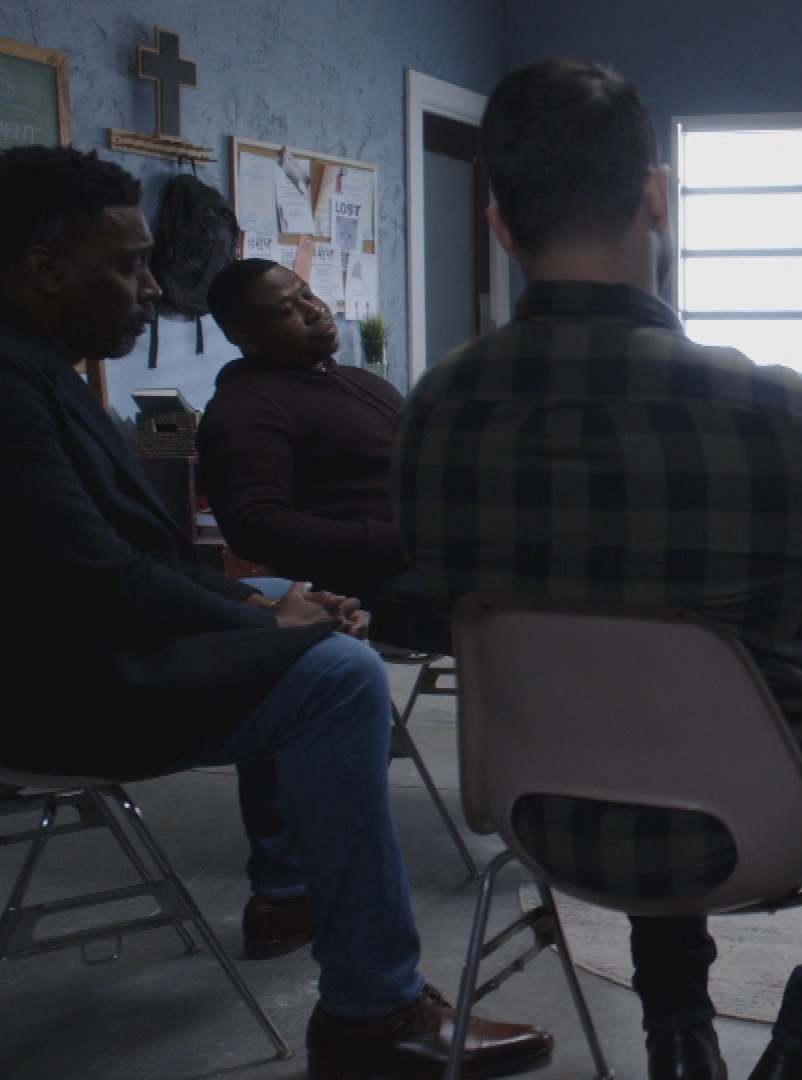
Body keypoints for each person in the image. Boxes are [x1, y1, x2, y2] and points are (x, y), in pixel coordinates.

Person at [392, 59, 802, 1080]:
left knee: (623, 704)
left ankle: (677, 1031)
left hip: (546, 812)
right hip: (765, 814)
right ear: (657, 196)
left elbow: (437, 588)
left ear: (500, 225)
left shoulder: (433, 413)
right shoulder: (788, 414)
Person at [0, 146, 550, 1080]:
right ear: (45, 270)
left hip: (100, 632)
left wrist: (272, 603)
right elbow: (102, 574)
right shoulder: (19, 389)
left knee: (298, 624)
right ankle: (372, 1008)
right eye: (128, 265)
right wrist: (268, 621)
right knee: (334, 674)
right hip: (60, 681)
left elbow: (142, 564)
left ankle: (299, 896)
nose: (150, 289)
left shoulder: (48, 368)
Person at [197, 258, 450, 655]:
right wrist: (398, 542)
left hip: (440, 554)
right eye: (288, 309)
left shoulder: (355, 379)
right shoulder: (245, 407)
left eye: (308, 294)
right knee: (526, 602)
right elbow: (255, 525)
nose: (315, 310)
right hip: (374, 584)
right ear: (246, 337)